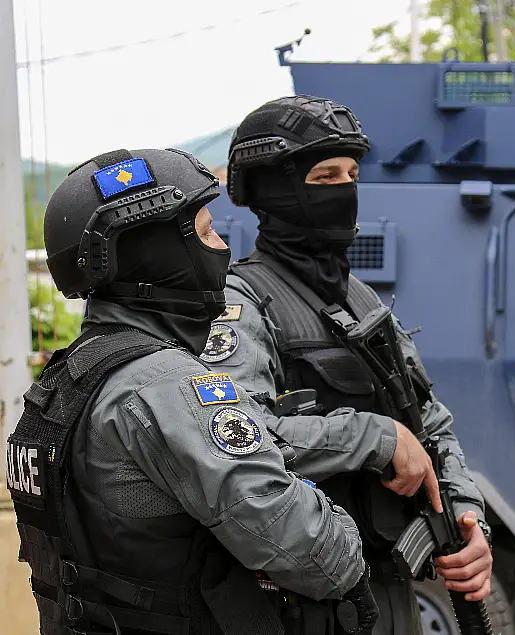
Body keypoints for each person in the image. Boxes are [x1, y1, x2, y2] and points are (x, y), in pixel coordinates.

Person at [6, 147, 382, 635]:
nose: (221, 246)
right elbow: (306, 548)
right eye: (205, 232)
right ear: (154, 252)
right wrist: (346, 537)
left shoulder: (64, 381)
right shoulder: (163, 384)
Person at [203, 95, 494, 635]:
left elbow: (430, 423)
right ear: (273, 190)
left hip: (386, 594)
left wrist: (465, 515)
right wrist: (371, 436)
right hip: (302, 606)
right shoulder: (241, 304)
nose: (345, 189)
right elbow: (232, 443)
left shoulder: (360, 300)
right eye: (325, 174)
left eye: (352, 173)